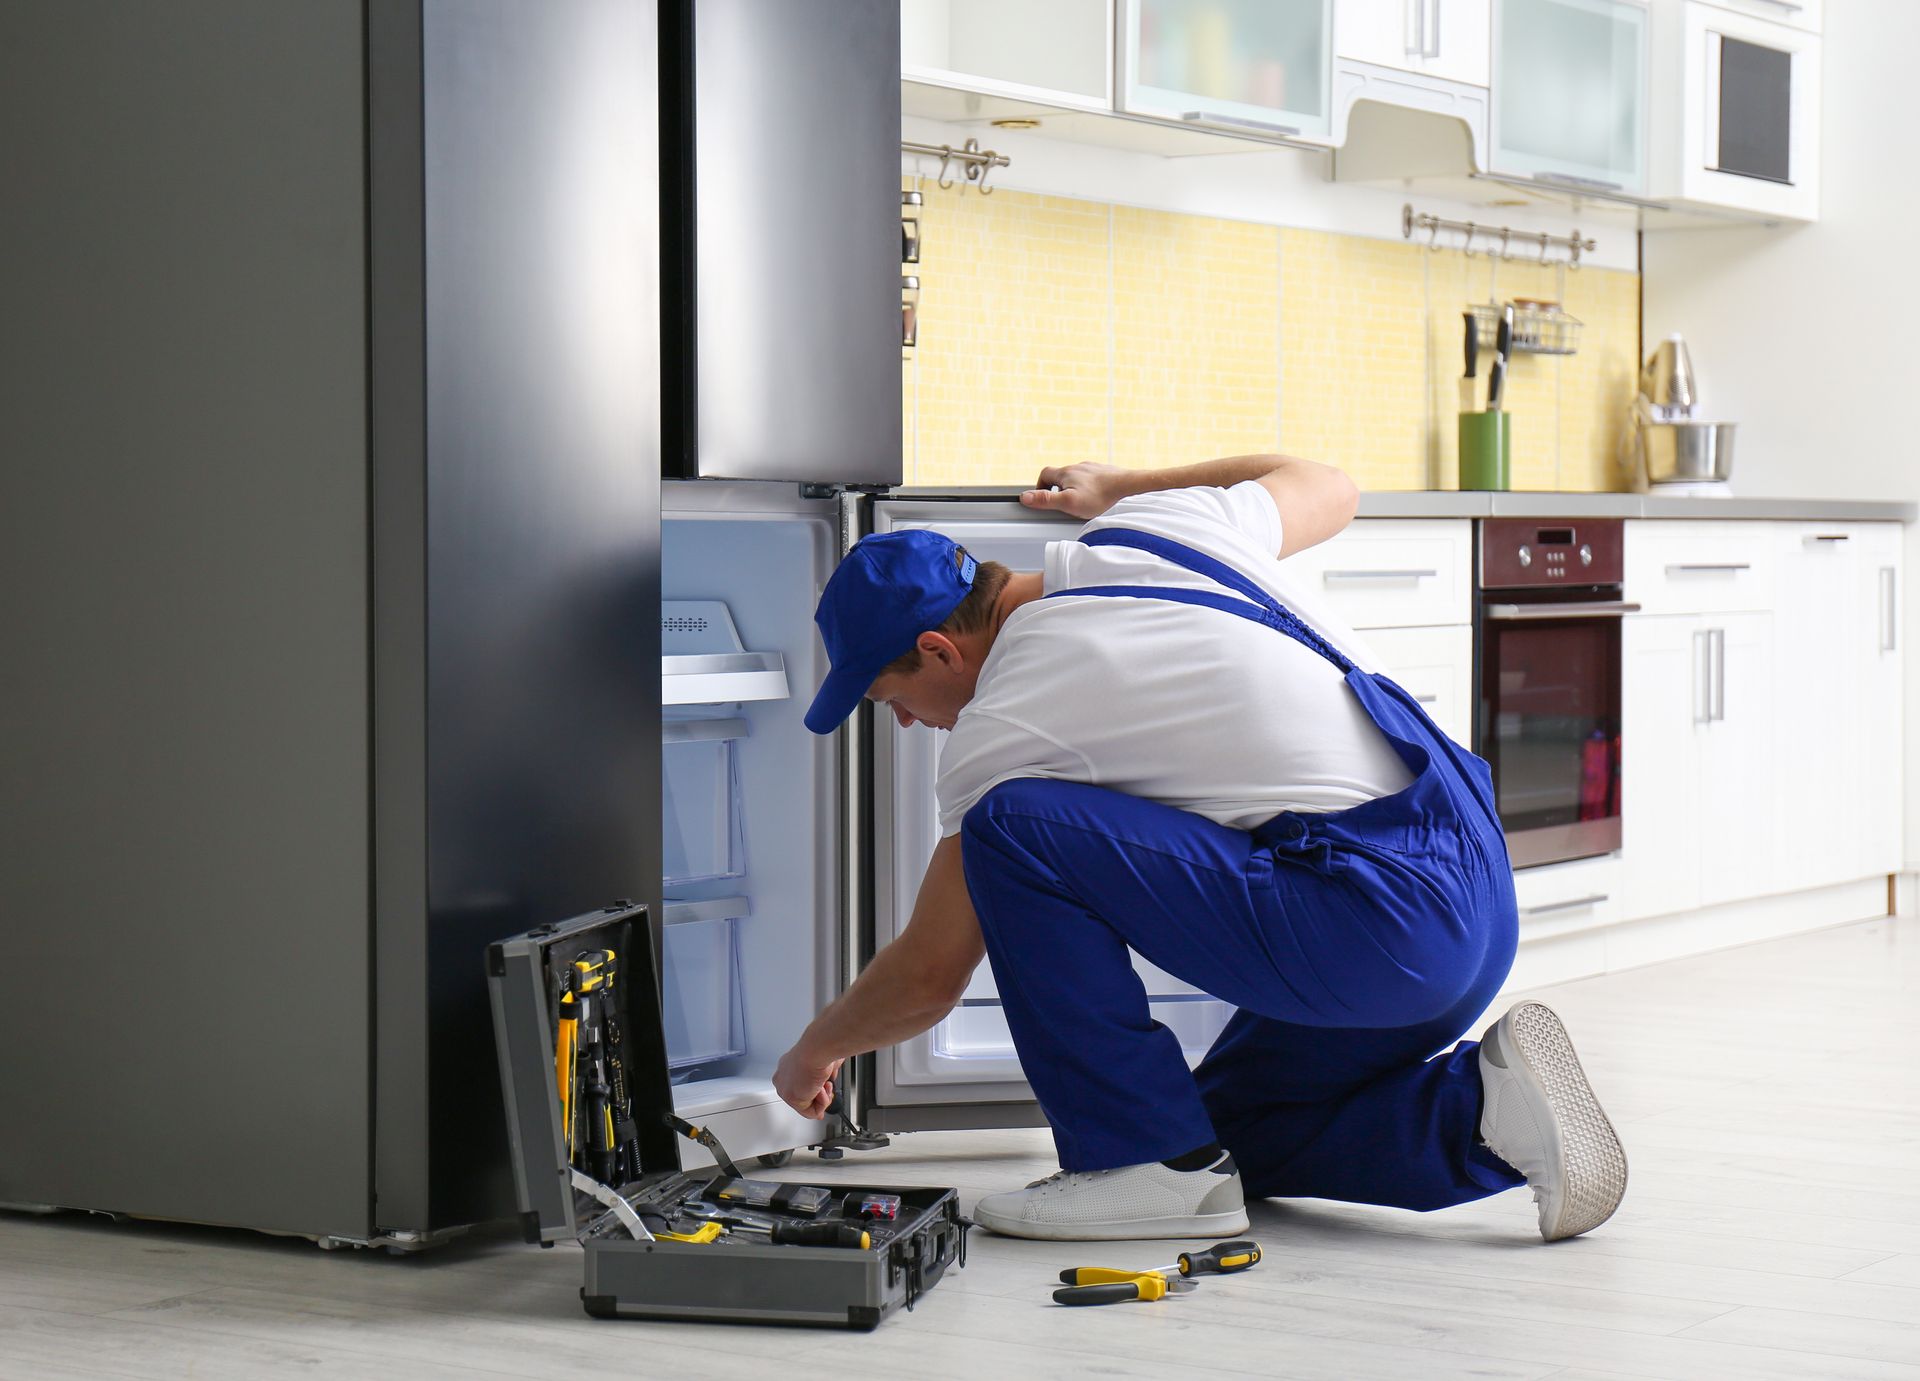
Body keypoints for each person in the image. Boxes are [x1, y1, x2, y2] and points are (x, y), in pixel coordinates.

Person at [772, 454, 1627, 1243]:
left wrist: (815, 1050)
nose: (908, 721)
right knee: (1229, 1137)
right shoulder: (1163, 524)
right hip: (1468, 890)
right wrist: (1130, 486)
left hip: (1380, 926)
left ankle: (1140, 1162)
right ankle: (1485, 1112)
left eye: (892, 697)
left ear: (937, 649)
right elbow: (1330, 484)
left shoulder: (1004, 721)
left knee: (1008, 828)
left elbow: (931, 971)